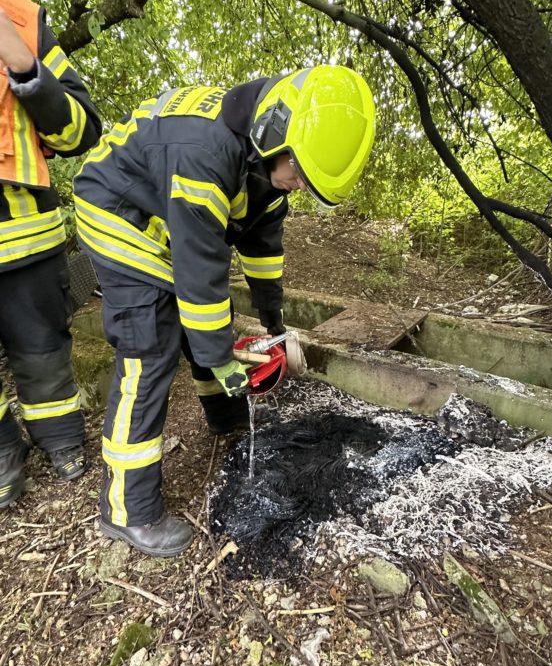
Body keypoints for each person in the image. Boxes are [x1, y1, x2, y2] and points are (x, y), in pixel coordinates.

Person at [73, 65, 376, 557]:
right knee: (152, 345)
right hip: (119, 214)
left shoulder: (267, 165)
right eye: (300, 174)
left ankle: (224, 415)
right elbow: (199, 270)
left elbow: (262, 247)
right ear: (275, 135)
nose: (299, 186)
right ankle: (128, 510)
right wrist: (218, 354)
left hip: (168, 217)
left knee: (208, 319)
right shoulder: (207, 153)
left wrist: (274, 321)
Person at [0, 0, 102, 509]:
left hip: (24, 236)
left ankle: (60, 436)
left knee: (41, 349)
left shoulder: (20, 17)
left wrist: (26, 69)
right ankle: (3, 451)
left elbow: (82, 129)